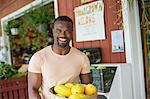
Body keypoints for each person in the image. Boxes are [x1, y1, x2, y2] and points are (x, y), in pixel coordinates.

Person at [28, 16, 92, 99]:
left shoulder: (82, 58)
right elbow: (33, 90)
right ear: (53, 31)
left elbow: (87, 88)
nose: (63, 34)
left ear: (72, 32)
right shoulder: (39, 57)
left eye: (67, 31)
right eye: (59, 31)